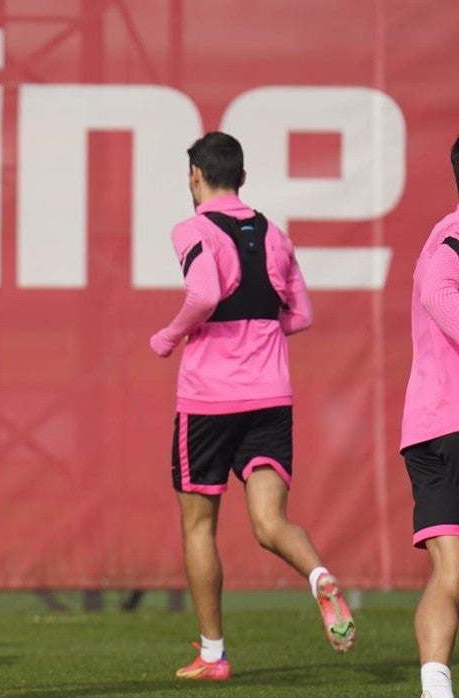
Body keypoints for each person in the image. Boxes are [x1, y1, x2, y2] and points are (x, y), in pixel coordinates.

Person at [149, 131, 355, 681]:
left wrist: (169, 337)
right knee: (270, 522)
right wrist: (259, 330)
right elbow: (302, 315)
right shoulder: (275, 236)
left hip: (210, 399)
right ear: (241, 177)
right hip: (270, 395)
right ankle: (318, 577)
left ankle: (214, 656)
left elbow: (203, 295)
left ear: (195, 177)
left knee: (199, 527)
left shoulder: (190, 229)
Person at [400, 134, 459, 698]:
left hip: (431, 425)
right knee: (454, 571)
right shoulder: (452, 245)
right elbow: (443, 304)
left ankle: (435, 687)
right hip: (444, 429)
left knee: (453, 573)